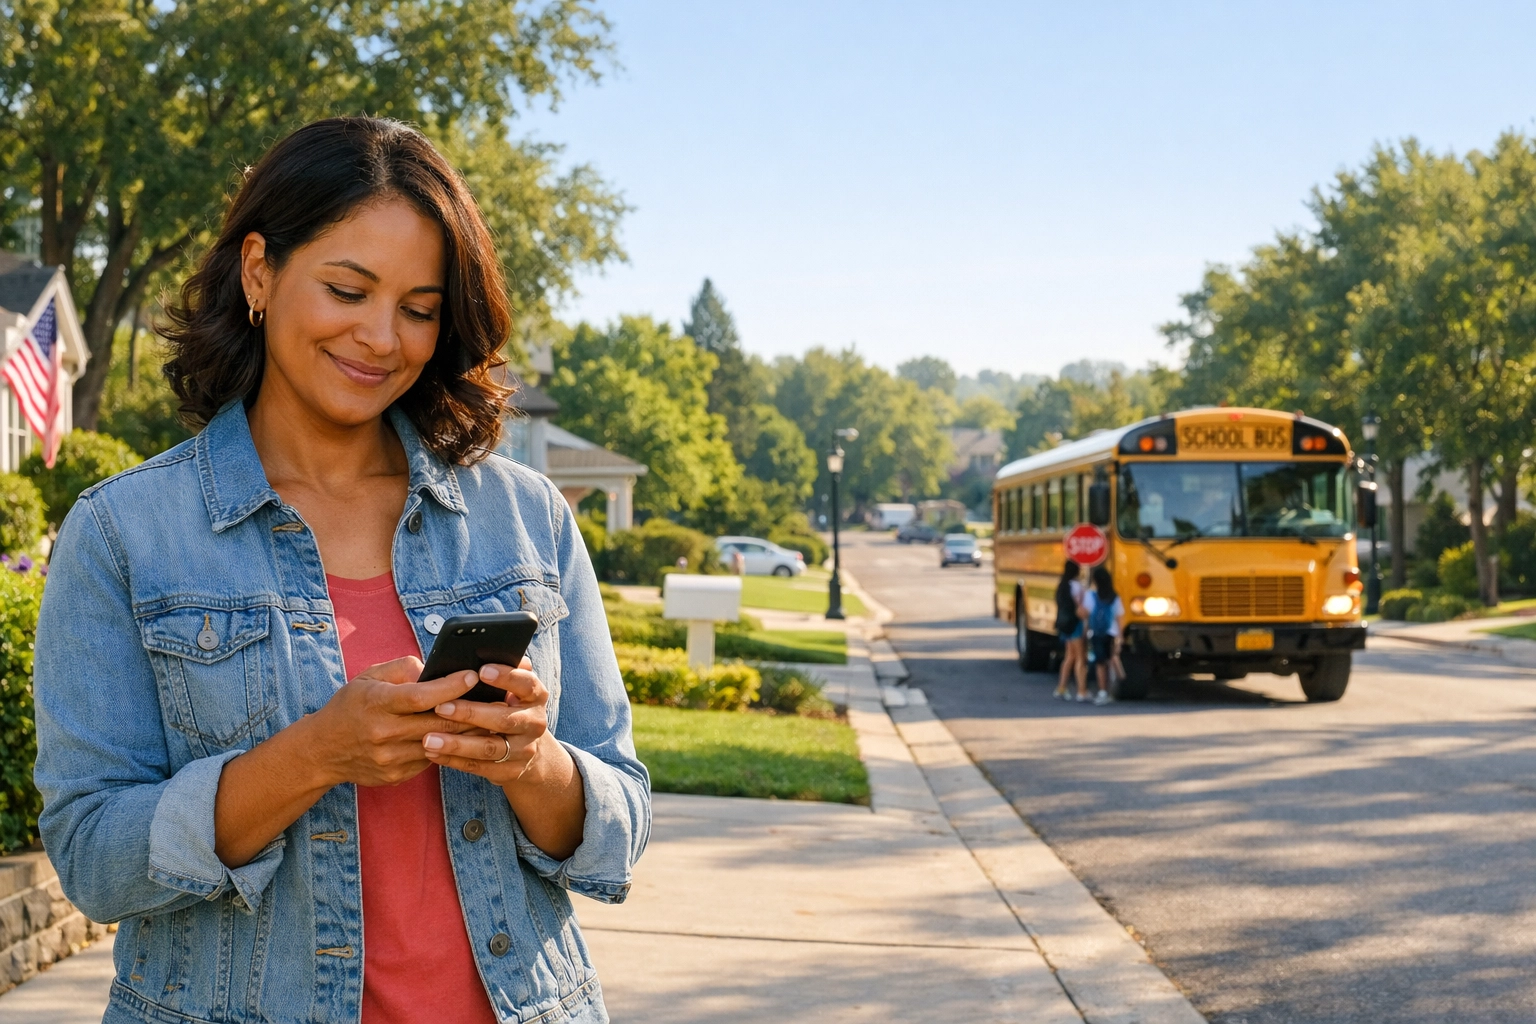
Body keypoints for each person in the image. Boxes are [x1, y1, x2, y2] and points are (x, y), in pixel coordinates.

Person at [32, 117, 649, 1024]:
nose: (381, 337)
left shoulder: (524, 518)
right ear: (259, 272)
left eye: (419, 309)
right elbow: (93, 860)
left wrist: (530, 762)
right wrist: (313, 756)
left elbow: (620, 827)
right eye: (348, 290)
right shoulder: (125, 534)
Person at [1080, 565, 1126, 707]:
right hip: (1111, 633)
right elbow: (1120, 618)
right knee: (1110, 661)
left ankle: (1102, 692)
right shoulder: (1115, 597)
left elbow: (1083, 613)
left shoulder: (1091, 596)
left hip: (1096, 632)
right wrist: (1120, 636)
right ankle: (1111, 689)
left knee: (1100, 663)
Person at [1052, 561, 1089, 701]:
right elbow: (1081, 607)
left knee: (1069, 656)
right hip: (1075, 624)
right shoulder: (1077, 586)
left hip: (1064, 624)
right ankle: (1081, 691)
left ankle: (1061, 687)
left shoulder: (1062, 585)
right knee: (1080, 658)